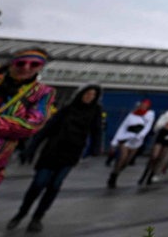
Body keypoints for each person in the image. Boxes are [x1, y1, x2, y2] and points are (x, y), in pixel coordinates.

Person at [8, 84, 103, 232]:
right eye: (87, 93)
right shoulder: (67, 110)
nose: (89, 97)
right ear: (81, 94)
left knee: (54, 186)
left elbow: (97, 131)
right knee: (38, 184)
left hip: (71, 153)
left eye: (93, 95)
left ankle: (37, 218)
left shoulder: (95, 112)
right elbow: (48, 129)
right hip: (52, 151)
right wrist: (31, 148)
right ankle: (21, 213)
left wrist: (96, 148)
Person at [0, 48, 56, 199]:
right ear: (12, 63)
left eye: (34, 64)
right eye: (21, 63)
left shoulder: (42, 92)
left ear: (40, 67)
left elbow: (33, 123)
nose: (26, 68)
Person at [108, 99, 153, 188]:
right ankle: (114, 176)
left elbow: (148, 126)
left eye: (146, 105)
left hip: (136, 140)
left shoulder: (149, 115)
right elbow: (123, 126)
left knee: (127, 161)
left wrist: (141, 135)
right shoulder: (132, 114)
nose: (143, 106)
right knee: (123, 157)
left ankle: (117, 172)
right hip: (126, 138)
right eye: (143, 104)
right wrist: (115, 140)